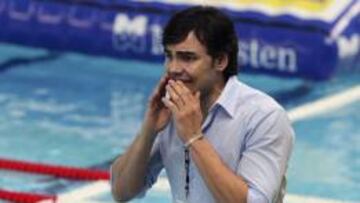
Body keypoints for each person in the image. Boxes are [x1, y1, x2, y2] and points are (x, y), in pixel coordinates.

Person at [111, 6, 294, 203]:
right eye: (169, 56)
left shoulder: (264, 117)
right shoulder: (171, 110)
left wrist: (194, 138)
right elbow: (121, 192)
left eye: (187, 58)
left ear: (221, 61)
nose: (173, 68)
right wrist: (149, 129)